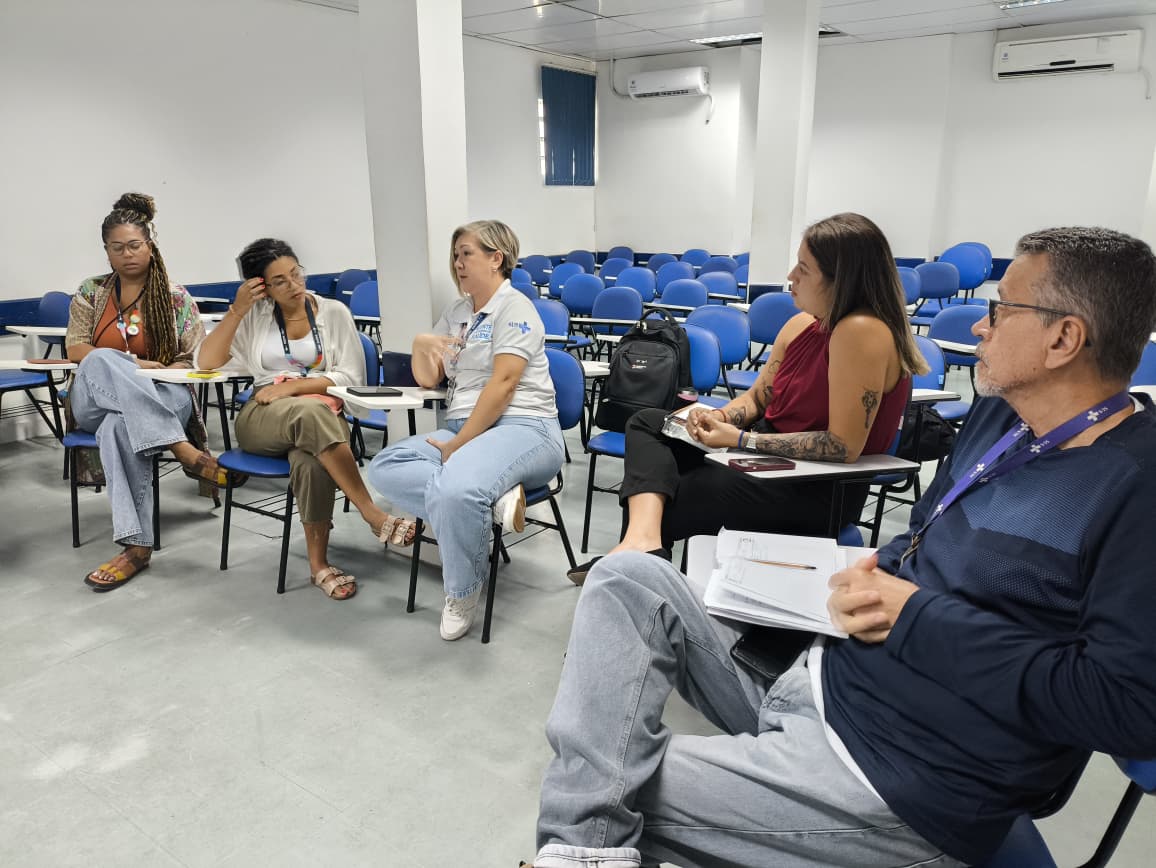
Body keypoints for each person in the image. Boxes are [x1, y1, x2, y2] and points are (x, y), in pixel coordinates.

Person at [525, 226, 1156, 868]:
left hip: (901, 775)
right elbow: (922, 534)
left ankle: (583, 852)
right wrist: (869, 572)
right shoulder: (1004, 418)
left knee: (598, 787)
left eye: (1000, 311)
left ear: (1063, 338)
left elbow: (1128, 707)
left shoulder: (1135, 489)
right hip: (825, 676)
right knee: (628, 578)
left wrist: (914, 615)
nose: (978, 330)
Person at [568, 212, 926, 583]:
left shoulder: (861, 331)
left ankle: (638, 564)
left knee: (673, 492)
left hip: (816, 486)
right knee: (647, 423)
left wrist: (742, 440)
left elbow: (843, 447)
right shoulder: (803, 323)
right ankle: (642, 546)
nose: (791, 277)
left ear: (843, 281)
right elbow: (758, 399)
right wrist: (720, 417)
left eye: (804, 268)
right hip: (766, 458)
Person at [368, 220, 565, 640]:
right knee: (384, 467)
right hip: (465, 426)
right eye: (455, 254)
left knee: (455, 487)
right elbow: (427, 379)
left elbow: (504, 385)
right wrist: (423, 344)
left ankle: (462, 591)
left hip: (525, 427)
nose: (457, 263)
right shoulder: (457, 313)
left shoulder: (516, 309)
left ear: (497, 259)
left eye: (467, 254)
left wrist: (459, 444)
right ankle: (490, 502)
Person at [194, 238, 415, 601]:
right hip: (262, 418)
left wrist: (294, 388)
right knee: (311, 415)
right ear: (261, 288)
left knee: (310, 459)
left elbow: (351, 376)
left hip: (322, 414)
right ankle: (372, 513)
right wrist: (236, 312)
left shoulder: (332, 313)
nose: (295, 285)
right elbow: (207, 362)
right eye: (280, 281)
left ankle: (318, 566)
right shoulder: (254, 318)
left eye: (296, 273)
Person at [66, 192, 220, 592]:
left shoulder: (174, 297)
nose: (127, 254)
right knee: (99, 361)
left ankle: (135, 549)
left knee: (119, 427)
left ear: (150, 247)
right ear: (107, 252)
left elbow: (192, 361)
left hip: (163, 394)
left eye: (135, 245)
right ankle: (182, 448)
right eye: (117, 248)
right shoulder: (91, 291)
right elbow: (77, 348)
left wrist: (154, 375)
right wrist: (136, 367)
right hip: (95, 397)